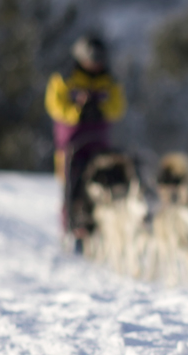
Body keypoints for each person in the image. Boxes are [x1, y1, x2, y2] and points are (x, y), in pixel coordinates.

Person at [45, 33, 127, 238]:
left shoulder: (109, 80)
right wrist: (77, 111)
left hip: (99, 142)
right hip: (72, 142)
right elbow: (54, 105)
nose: (95, 65)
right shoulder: (65, 77)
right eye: (92, 60)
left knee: (104, 181)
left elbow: (118, 106)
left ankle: (101, 229)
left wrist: (101, 109)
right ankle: (71, 228)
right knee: (72, 183)